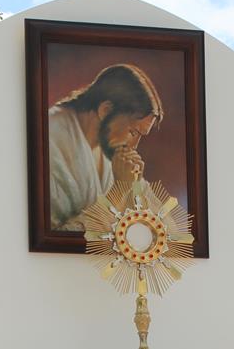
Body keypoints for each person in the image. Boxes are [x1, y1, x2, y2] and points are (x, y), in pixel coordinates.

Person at [47, 63, 163, 230]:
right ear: (106, 110)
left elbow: (160, 222)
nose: (134, 146)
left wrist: (134, 187)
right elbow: (56, 236)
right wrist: (119, 192)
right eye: (132, 132)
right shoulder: (51, 137)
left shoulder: (110, 147)